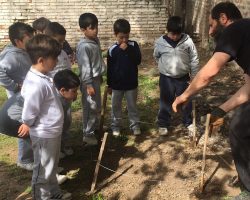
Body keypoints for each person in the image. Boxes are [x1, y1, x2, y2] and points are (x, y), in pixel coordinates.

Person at [171, 2, 250, 199]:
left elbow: (209, 73)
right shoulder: (247, 34)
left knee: (239, 129)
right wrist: (221, 110)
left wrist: (184, 95)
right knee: (240, 128)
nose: (210, 30)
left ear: (223, 19)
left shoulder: (234, 29)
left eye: (211, 24)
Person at [20, 34, 72, 199]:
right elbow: (30, 107)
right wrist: (27, 122)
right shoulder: (36, 83)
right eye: (54, 58)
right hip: (43, 134)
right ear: (41, 60)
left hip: (52, 132)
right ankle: (42, 196)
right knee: (42, 170)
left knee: (52, 166)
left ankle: (54, 193)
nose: (57, 61)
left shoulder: (45, 76)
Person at [153, 16, 199, 136]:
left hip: (183, 78)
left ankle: (188, 122)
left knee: (186, 100)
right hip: (166, 78)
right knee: (165, 101)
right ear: (167, 30)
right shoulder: (160, 43)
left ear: (182, 32)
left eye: (177, 34)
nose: (174, 37)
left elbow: (194, 59)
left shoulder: (188, 42)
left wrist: (193, 75)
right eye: (172, 34)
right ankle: (163, 123)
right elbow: (156, 56)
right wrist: (164, 68)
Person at [0, 22, 34, 171]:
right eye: (29, 40)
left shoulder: (22, 51)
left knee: (29, 124)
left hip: (27, 95)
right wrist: (14, 86)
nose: (31, 42)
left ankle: (31, 156)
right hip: (18, 100)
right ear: (18, 41)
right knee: (23, 127)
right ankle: (24, 159)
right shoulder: (10, 56)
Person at [44, 21, 74, 158]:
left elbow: (68, 70)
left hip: (66, 96)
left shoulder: (62, 54)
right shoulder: (44, 57)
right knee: (56, 122)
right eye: (59, 41)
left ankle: (65, 144)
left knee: (67, 120)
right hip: (53, 97)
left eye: (63, 41)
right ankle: (57, 149)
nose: (62, 44)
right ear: (49, 38)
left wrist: (73, 90)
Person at [107, 18, 141, 136]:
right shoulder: (112, 50)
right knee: (115, 106)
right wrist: (109, 85)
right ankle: (116, 126)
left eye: (126, 37)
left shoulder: (133, 45)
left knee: (132, 106)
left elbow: (138, 60)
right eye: (121, 37)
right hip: (116, 85)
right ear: (115, 35)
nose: (124, 40)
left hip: (131, 84)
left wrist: (129, 50)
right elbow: (110, 69)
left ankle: (135, 125)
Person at [76, 13, 106, 145]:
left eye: (96, 27)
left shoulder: (95, 40)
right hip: (89, 82)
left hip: (95, 79)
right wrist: (88, 84)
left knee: (96, 106)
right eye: (91, 28)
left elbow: (96, 60)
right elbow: (85, 67)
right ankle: (87, 133)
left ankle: (94, 128)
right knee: (90, 107)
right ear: (83, 30)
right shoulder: (84, 47)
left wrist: (99, 76)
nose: (95, 30)